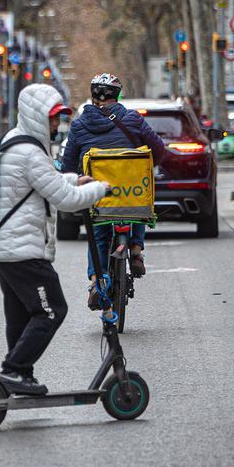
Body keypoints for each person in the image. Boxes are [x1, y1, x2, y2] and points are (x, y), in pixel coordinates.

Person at [0, 84, 107, 396]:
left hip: (3, 245)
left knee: (21, 312)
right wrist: (102, 188)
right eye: (53, 118)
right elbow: (65, 199)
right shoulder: (30, 152)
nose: (57, 124)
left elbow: (41, 183)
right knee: (53, 309)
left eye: (60, 117)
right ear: (37, 116)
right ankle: (13, 370)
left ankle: (19, 374)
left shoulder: (15, 141)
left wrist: (72, 179)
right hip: (20, 248)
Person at [61, 73, 169, 306]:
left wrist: (74, 178)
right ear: (117, 95)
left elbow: (68, 163)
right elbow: (158, 150)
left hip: (98, 193)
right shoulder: (133, 119)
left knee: (98, 234)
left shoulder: (79, 125)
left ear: (93, 95)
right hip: (130, 193)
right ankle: (136, 249)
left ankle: (95, 282)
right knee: (139, 196)